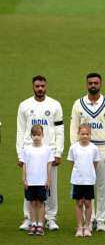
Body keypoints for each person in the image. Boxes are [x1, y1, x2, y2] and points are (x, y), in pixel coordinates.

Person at [69, 72, 105, 232]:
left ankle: (101, 220)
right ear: (86, 84)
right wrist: (75, 150)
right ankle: (87, 221)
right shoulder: (78, 104)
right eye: (90, 83)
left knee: (102, 186)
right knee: (85, 185)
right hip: (84, 150)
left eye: (96, 83)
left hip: (103, 149)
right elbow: (73, 128)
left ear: (100, 84)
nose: (93, 85)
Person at [16, 75, 64, 231]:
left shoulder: (55, 105)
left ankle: (50, 218)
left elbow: (59, 130)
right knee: (29, 185)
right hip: (29, 152)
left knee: (50, 186)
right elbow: (20, 130)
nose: (40, 89)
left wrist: (58, 152)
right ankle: (29, 218)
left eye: (42, 86)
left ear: (46, 86)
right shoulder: (24, 105)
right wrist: (20, 154)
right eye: (37, 86)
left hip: (48, 151)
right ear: (33, 87)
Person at [67, 124, 101, 237]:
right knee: (79, 203)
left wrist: (90, 174)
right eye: (82, 134)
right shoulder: (73, 148)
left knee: (88, 203)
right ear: (78, 135)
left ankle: (87, 226)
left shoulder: (94, 148)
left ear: (90, 135)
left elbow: (95, 163)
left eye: (87, 134)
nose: (85, 136)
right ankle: (79, 226)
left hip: (89, 181)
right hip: (77, 180)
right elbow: (72, 163)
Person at [20, 125, 54, 236]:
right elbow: (24, 165)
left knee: (40, 203)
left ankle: (40, 225)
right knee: (32, 202)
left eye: (38, 135)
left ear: (43, 135)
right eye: (34, 135)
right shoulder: (27, 149)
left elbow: (49, 165)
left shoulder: (47, 149)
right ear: (31, 136)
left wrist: (49, 180)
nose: (36, 137)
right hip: (30, 181)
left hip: (41, 181)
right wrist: (24, 179)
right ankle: (33, 223)